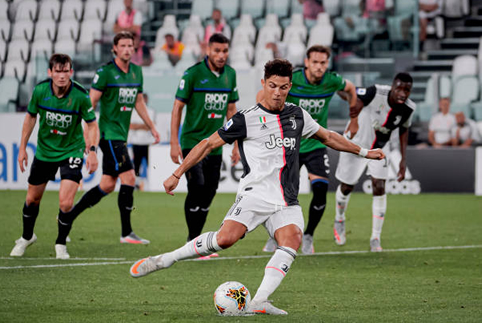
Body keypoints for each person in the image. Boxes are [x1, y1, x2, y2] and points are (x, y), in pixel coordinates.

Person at [129, 59, 385, 315]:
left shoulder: (297, 115)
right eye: (272, 85)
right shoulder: (245, 119)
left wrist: (364, 152)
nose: (277, 92)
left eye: (283, 87)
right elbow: (207, 144)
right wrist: (177, 173)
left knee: (292, 241)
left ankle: (259, 300)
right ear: (264, 83)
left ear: (290, 86)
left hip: (286, 200)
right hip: (255, 195)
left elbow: (328, 137)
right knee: (225, 240)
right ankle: (164, 260)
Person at [258, 45, 359, 254]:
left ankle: (308, 235)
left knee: (321, 191)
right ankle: (275, 234)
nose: (319, 67)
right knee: (281, 195)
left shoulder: (332, 81)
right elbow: (263, 95)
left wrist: (354, 117)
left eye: (323, 63)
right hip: (289, 146)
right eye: (315, 62)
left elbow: (350, 88)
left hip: (316, 144)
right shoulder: (293, 80)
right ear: (307, 62)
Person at [63, 31, 160, 245]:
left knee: (107, 184)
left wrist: (151, 126)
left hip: (121, 135)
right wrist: (86, 136)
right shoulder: (105, 72)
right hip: (107, 134)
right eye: (123, 46)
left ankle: (67, 218)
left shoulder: (136, 72)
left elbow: (139, 102)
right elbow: (90, 104)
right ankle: (126, 233)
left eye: (130, 46)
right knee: (130, 178)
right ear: (114, 49)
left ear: (134, 49)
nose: (127, 49)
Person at [10, 54, 99, 259]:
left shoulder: (79, 95)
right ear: (50, 73)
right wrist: (23, 147)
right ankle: (26, 237)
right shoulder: (40, 91)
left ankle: (60, 244)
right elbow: (31, 117)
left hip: (72, 150)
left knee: (66, 203)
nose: (61, 76)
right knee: (32, 199)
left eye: (65, 71)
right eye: (57, 71)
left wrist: (92, 151)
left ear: (71, 72)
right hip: (45, 151)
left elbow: (92, 124)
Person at [170, 33, 240, 244]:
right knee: (197, 186)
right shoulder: (192, 74)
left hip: (216, 143)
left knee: (210, 191)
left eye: (225, 51)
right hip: (192, 141)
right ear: (207, 50)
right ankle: (193, 240)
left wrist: (237, 144)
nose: (221, 55)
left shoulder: (230, 74)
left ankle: (195, 238)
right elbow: (177, 107)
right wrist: (174, 142)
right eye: (217, 50)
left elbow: (231, 109)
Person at [334, 72, 415, 252]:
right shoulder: (376, 91)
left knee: (379, 186)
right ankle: (339, 218)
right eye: (399, 88)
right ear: (393, 86)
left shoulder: (409, 108)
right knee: (346, 187)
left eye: (407, 90)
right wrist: (353, 108)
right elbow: (354, 96)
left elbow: (404, 130)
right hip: (354, 144)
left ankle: (375, 238)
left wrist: (403, 160)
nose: (402, 93)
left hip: (379, 149)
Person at [129, 93, 157, 190]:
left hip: (148, 143)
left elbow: (151, 126)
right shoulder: (133, 112)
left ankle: (152, 183)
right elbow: (131, 126)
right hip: (136, 142)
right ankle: (137, 184)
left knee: (151, 164)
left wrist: (139, 126)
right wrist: (144, 125)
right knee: (136, 165)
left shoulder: (151, 111)